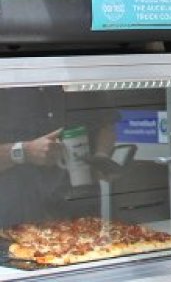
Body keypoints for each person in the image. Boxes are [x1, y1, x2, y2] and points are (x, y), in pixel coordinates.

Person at [0, 86, 119, 227]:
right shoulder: (6, 74)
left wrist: (101, 155)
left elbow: (106, 124)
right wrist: (24, 151)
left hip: (80, 206)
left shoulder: (77, 72)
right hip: (17, 212)